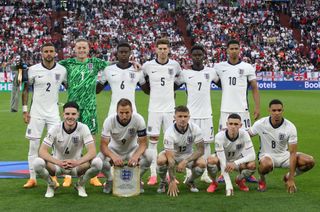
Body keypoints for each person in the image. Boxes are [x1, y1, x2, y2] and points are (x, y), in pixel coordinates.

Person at [59, 38, 109, 187]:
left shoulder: (96, 62)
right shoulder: (67, 63)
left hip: (90, 108)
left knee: (90, 142)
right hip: (73, 109)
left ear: (88, 49)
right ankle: (67, 174)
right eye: (79, 48)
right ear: (74, 49)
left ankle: (92, 175)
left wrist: (134, 65)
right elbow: (52, 68)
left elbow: (115, 66)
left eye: (84, 48)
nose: (81, 50)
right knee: (69, 142)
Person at [33, 101, 102, 198]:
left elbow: (92, 152)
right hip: (57, 166)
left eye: (73, 114)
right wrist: (58, 162)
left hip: (76, 166)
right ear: (63, 115)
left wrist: (77, 162)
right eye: (67, 114)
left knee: (98, 163)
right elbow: (42, 151)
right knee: (37, 163)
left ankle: (80, 184)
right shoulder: (55, 128)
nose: (70, 117)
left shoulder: (84, 128)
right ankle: (51, 184)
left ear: (78, 115)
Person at [21, 43, 67, 188]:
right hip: (36, 113)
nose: (48, 53)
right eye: (46, 51)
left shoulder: (62, 70)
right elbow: (26, 89)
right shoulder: (33, 69)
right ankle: (32, 178)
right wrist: (24, 110)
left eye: (51, 51)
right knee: (33, 146)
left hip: (53, 114)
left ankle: (54, 177)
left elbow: (70, 88)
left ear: (55, 53)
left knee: (57, 146)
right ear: (41, 53)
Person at [214, 39, 260, 183]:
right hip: (225, 110)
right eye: (231, 48)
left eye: (236, 48)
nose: (234, 50)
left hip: (242, 110)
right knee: (222, 141)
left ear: (239, 49)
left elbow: (254, 87)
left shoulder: (247, 67)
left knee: (245, 140)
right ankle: (222, 172)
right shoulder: (219, 67)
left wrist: (257, 107)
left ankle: (245, 171)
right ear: (227, 50)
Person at [139, 38, 182, 185]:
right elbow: (142, 80)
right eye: (160, 48)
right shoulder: (148, 65)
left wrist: (170, 90)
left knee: (170, 142)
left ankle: (170, 175)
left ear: (169, 49)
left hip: (170, 109)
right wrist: (150, 92)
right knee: (153, 142)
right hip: (154, 110)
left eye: (165, 48)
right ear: (155, 49)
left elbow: (180, 80)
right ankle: (153, 174)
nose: (163, 51)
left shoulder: (175, 65)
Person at [248, 99, 315, 193]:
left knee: (309, 161)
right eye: (274, 110)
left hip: (284, 155)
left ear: (282, 111)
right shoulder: (260, 124)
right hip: (267, 156)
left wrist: (291, 178)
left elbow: (292, 153)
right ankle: (262, 179)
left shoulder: (290, 127)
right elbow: (247, 136)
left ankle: (287, 177)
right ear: (269, 110)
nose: (277, 113)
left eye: (279, 110)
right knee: (266, 165)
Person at [176, 44, 218, 183]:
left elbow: (223, 84)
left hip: (206, 115)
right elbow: (172, 85)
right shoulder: (185, 73)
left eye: (200, 55)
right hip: (191, 116)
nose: (197, 57)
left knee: (206, 144)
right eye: (195, 55)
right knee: (188, 144)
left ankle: (205, 172)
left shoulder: (211, 72)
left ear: (204, 56)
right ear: (191, 56)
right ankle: (188, 172)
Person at [100, 98, 152, 193]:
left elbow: (143, 144)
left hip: (132, 149)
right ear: (117, 111)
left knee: (149, 156)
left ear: (132, 111)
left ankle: (136, 179)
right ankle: (110, 180)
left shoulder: (139, 119)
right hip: (114, 149)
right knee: (97, 161)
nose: (124, 116)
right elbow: (103, 146)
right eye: (121, 113)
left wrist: (136, 156)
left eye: (127, 112)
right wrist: (113, 156)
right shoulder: (109, 120)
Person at [156, 105, 205, 197]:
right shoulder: (169, 133)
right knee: (160, 160)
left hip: (188, 154)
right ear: (174, 117)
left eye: (185, 116)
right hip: (172, 154)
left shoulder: (195, 128)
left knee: (202, 163)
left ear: (189, 117)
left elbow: (201, 150)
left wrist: (185, 161)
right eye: (180, 116)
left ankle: (190, 181)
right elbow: (170, 160)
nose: (183, 119)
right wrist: (172, 180)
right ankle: (164, 181)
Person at [206, 114, 256, 196]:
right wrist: (228, 185)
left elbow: (252, 155)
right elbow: (222, 161)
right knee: (211, 160)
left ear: (240, 125)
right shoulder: (219, 136)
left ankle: (239, 180)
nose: (233, 126)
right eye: (231, 124)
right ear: (227, 124)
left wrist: (235, 163)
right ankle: (214, 183)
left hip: (237, 161)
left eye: (236, 124)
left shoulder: (244, 134)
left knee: (252, 165)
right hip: (222, 161)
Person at [97, 41, 144, 116]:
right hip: (113, 111)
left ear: (130, 53)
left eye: (126, 52)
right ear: (117, 54)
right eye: (121, 52)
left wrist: (144, 72)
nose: (123, 54)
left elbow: (147, 90)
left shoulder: (137, 70)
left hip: (132, 111)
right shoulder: (108, 70)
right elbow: (97, 90)